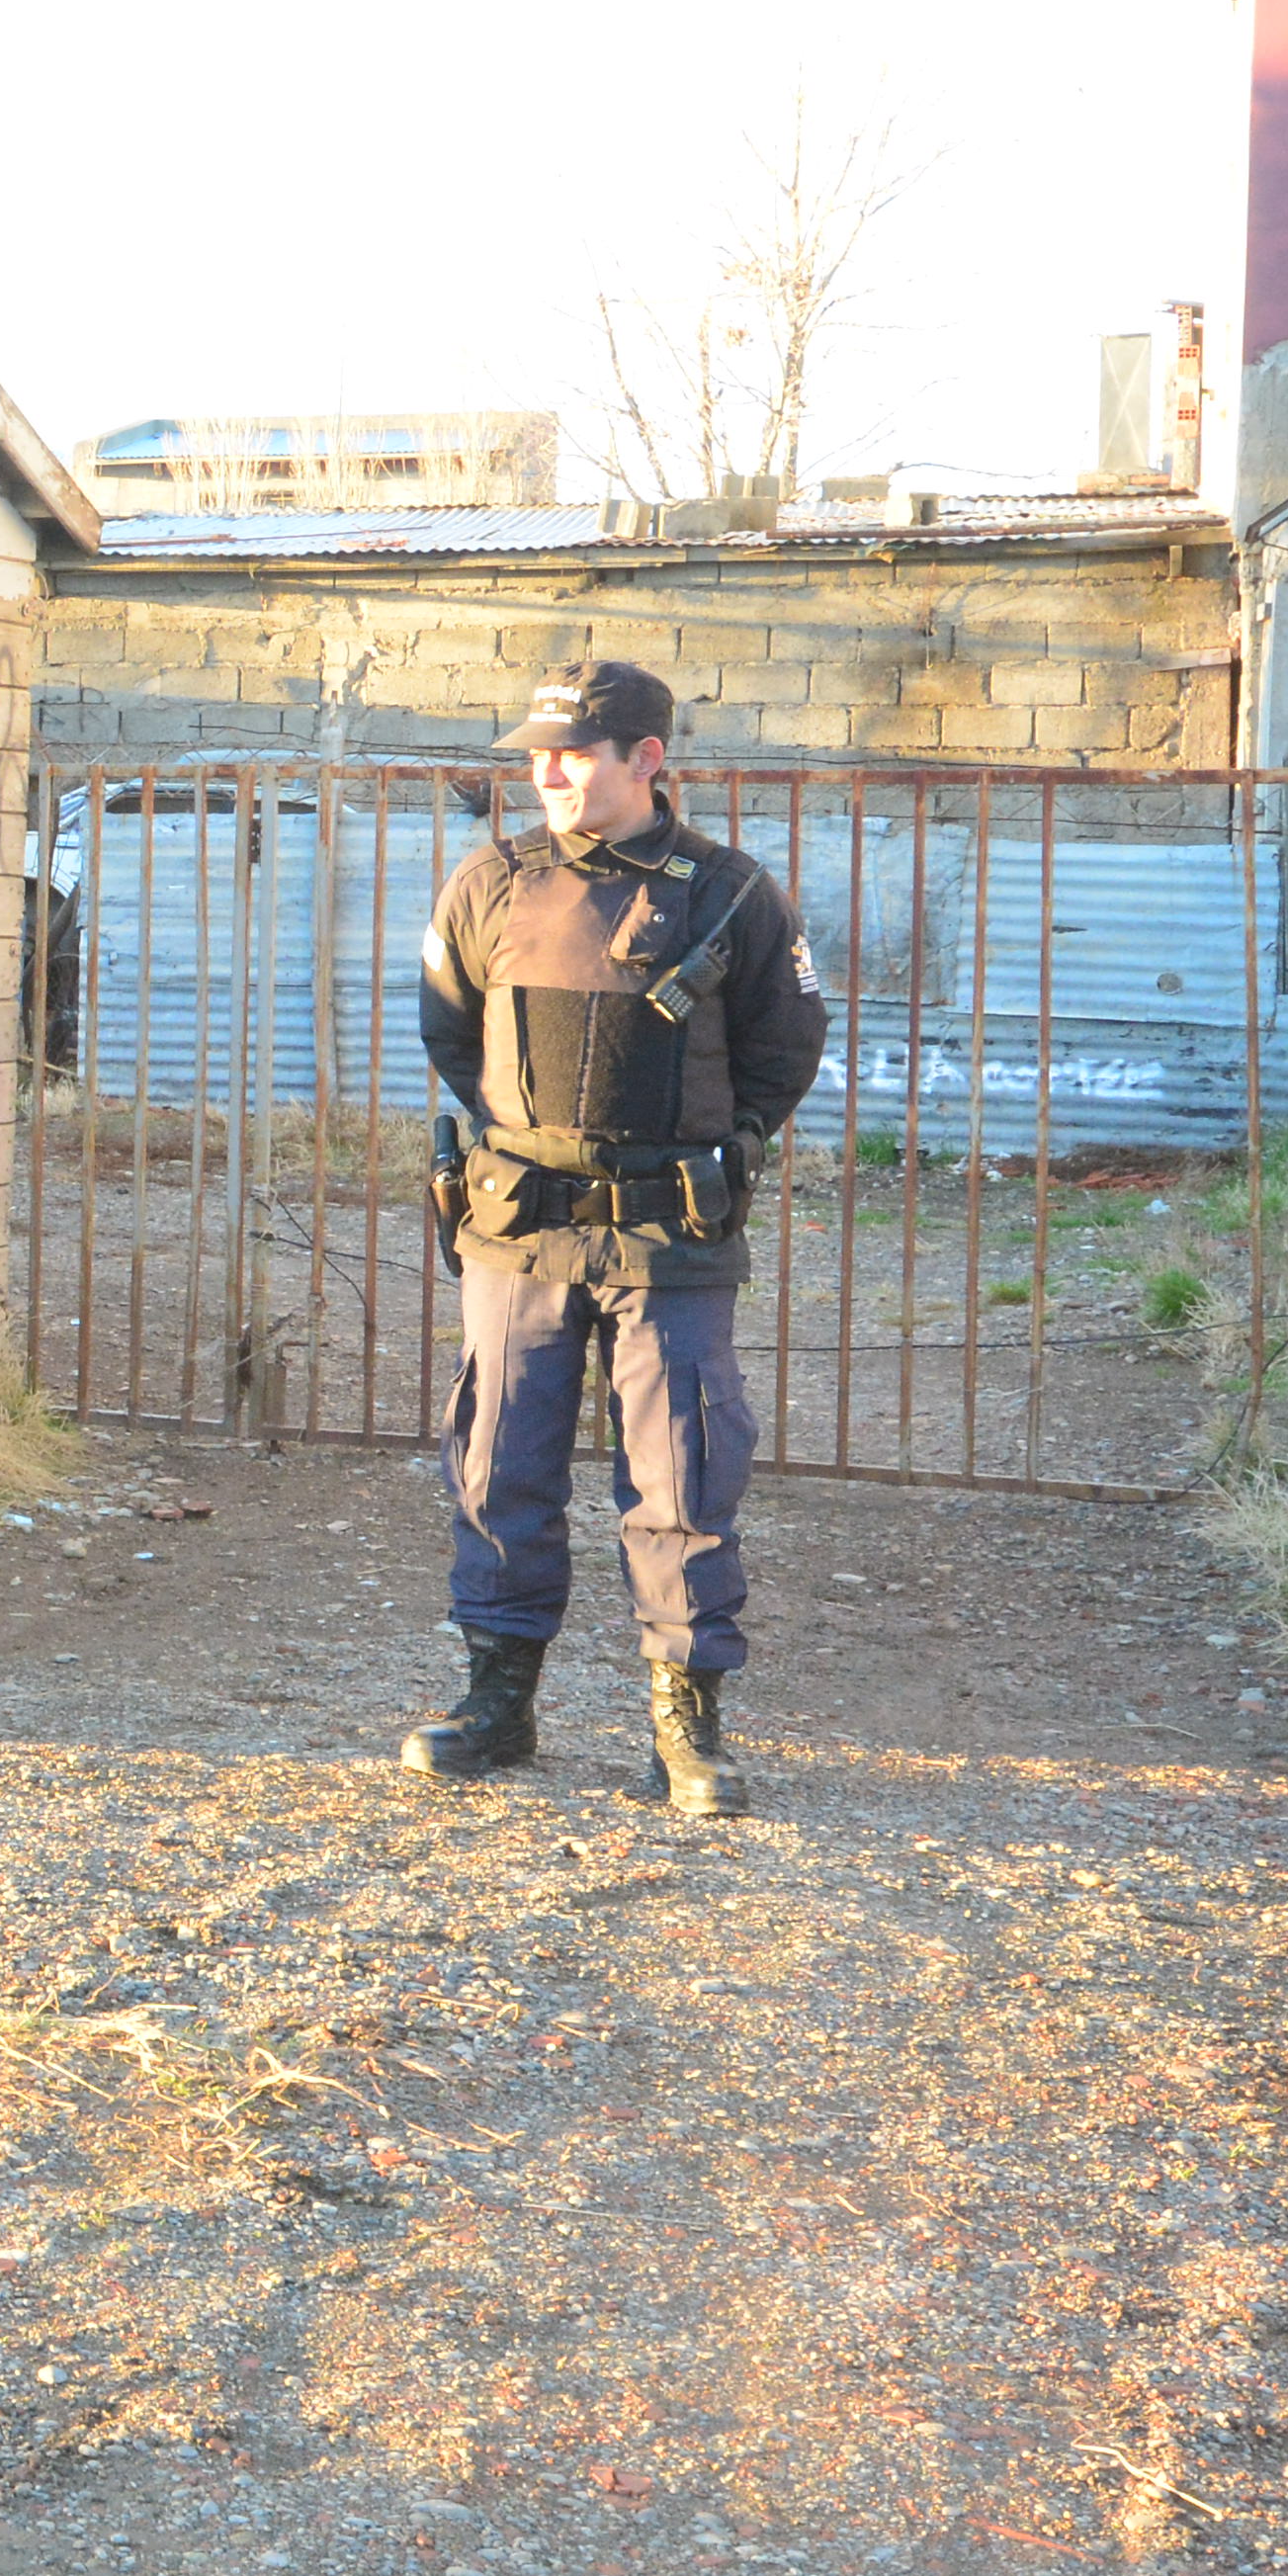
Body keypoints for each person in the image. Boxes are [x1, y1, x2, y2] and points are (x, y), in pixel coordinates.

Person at [403, 658, 822, 1815]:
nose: (546, 772)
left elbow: (785, 1050)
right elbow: (453, 1030)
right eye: (536, 752)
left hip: (666, 1235)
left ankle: (685, 1722)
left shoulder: (732, 893)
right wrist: (535, 1140)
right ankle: (498, 1697)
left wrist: (708, 1146)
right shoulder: (490, 881)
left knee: (684, 1465)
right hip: (520, 1228)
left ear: (647, 759)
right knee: (498, 1458)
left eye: (575, 751)